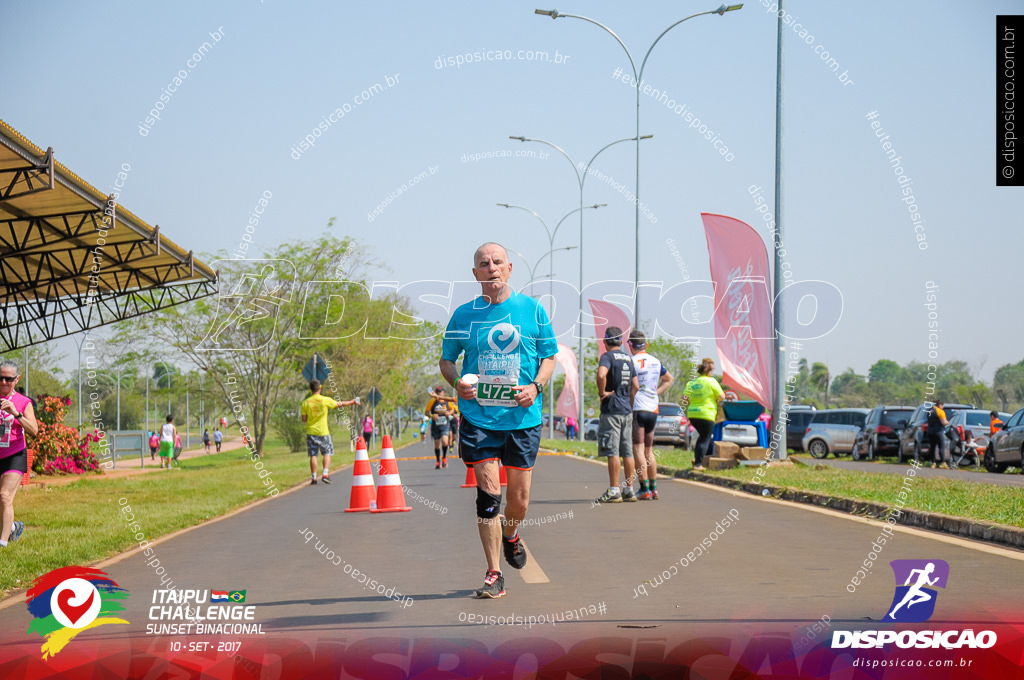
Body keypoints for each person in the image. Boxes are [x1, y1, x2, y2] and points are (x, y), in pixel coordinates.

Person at [439, 242, 556, 599]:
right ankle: (494, 572)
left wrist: (536, 387)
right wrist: (456, 381)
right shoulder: (463, 315)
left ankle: (512, 534)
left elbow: (549, 358)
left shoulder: (532, 311)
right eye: (483, 263)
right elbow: (447, 361)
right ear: (475, 273)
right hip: (479, 418)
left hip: (522, 417)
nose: (491, 267)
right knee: (489, 497)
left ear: (508, 269)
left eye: (497, 262)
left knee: (518, 501)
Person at [595, 326, 640, 503]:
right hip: (626, 411)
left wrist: (602, 393)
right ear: (621, 342)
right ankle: (629, 489)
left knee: (612, 450)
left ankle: (614, 490)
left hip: (611, 410)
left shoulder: (606, 357)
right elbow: (636, 386)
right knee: (627, 451)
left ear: (605, 342)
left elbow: (601, 375)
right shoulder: (628, 359)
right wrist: (628, 400)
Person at [629, 330, 674, 498]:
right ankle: (654, 488)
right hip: (653, 408)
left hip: (638, 408)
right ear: (645, 345)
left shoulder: (630, 361)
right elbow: (669, 378)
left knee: (638, 450)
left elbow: (632, 387)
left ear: (630, 345)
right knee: (649, 451)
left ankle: (644, 489)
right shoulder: (656, 361)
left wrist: (631, 401)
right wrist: (657, 393)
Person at [0, 360, 37, 548]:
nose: (4, 382)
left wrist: (16, 414)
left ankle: (3, 543)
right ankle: (13, 527)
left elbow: (34, 431)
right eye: (1, 378)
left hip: (15, 454)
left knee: (5, 496)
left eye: (9, 379)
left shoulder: (24, 402)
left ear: (17, 379)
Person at [301, 379, 357, 485]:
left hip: (311, 432)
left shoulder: (306, 403)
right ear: (320, 388)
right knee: (327, 452)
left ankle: (313, 477)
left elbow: (304, 419)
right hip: (323, 432)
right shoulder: (325, 400)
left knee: (313, 454)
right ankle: (325, 474)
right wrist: (352, 402)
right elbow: (339, 404)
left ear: (310, 389)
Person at [683, 358, 724, 472]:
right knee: (705, 439)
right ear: (710, 371)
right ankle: (698, 464)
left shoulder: (692, 383)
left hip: (693, 414)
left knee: (701, 438)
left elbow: (684, 398)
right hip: (707, 414)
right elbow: (722, 397)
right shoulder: (711, 381)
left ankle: (696, 460)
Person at [425, 387, 455, 468]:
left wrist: (449, 413)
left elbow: (453, 410)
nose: (438, 393)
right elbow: (426, 412)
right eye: (437, 391)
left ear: (443, 393)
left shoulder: (447, 402)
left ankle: (444, 457)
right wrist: (431, 416)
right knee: (437, 444)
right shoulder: (432, 402)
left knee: (445, 441)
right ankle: (438, 461)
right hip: (435, 425)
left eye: (440, 391)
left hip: (445, 425)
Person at [926, 399, 949, 469]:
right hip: (938, 431)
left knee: (932, 447)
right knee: (941, 447)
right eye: (942, 405)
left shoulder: (929, 411)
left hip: (930, 431)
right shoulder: (940, 411)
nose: (943, 407)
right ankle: (942, 462)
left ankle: (932, 462)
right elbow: (944, 422)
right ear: (940, 405)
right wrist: (948, 422)